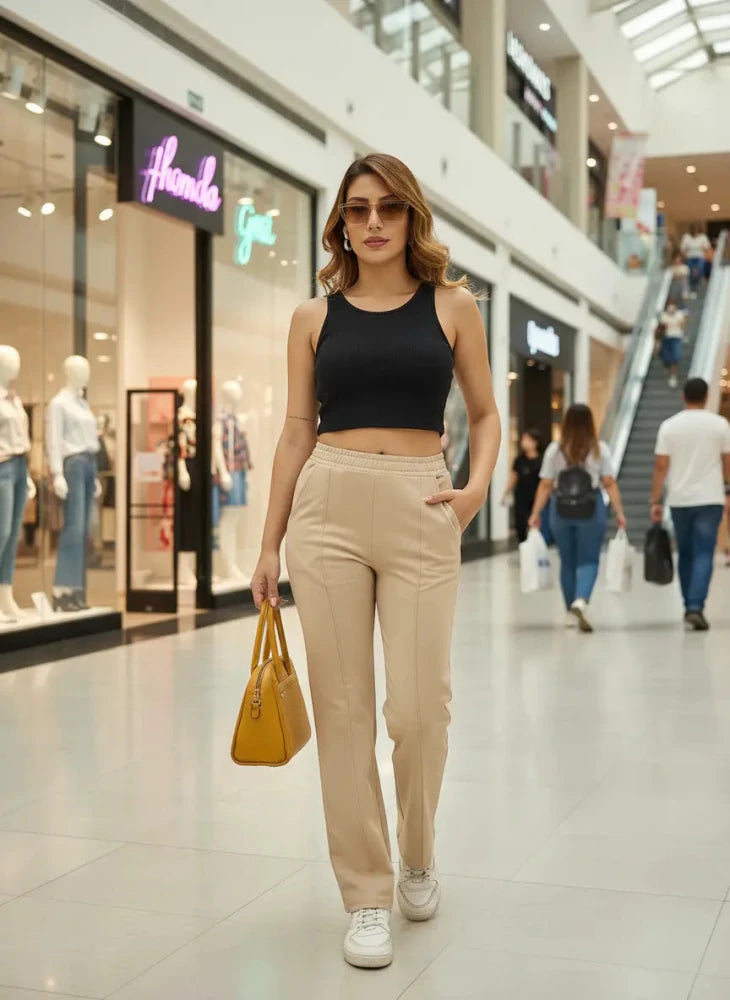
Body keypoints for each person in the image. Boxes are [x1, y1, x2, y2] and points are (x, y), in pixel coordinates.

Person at [250, 153, 500, 970]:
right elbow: (294, 431)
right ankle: (366, 892)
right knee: (346, 711)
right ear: (341, 225)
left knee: (420, 712)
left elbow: (487, 415)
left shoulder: (454, 305)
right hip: (325, 509)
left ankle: (417, 850)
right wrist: (266, 541)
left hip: (422, 505)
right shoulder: (313, 319)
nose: (373, 223)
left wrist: (472, 491)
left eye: (388, 208)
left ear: (411, 217)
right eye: (357, 210)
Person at [528, 404, 626, 633]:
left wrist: (535, 514)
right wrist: (620, 512)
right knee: (589, 559)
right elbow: (609, 483)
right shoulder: (599, 449)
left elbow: (545, 485)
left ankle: (570, 613)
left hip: (560, 510)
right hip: (591, 509)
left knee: (567, 561)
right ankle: (581, 601)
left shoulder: (555, 450)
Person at [651, 377, 730, 631]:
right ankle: (696, 606)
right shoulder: (720, 425)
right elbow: (728, 462)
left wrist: (655, 500)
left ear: (683, 397)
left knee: (685, 552)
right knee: (704, 551)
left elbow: (661, 466)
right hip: (710, 498)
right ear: (707, 397)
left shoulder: (669, 426)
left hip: (679, 499)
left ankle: (688, 605)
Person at [502, 428, 542, 543]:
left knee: (536, 524)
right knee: (520, 524)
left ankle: (536, 548)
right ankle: (524, 547)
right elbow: (514, 477)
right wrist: (506, 492)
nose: (523, 442)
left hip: (537, 497)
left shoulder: (541, 460)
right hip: (521, 497)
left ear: (535, 442)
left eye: (527, 439)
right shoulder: (519, 460)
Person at [659, 299, 687, 389]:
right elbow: (662, 327)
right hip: (666, 338)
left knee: (675, 357)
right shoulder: (663, 315)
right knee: (667, 359)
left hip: (676, 338)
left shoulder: (679, 314)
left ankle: (673, 376)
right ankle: (670, 372)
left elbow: (683, 324)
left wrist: (683, 334)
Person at [680, 224, 710, 295]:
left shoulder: (702, 237)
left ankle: (699, 290)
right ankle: (692, 290)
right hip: (689, 258)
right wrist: (685, 256)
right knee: (690, 274)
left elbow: (707, 248)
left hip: (700, 258)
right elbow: (682, 248)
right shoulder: (686, 237)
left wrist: (703, 248)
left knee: (699, 273)